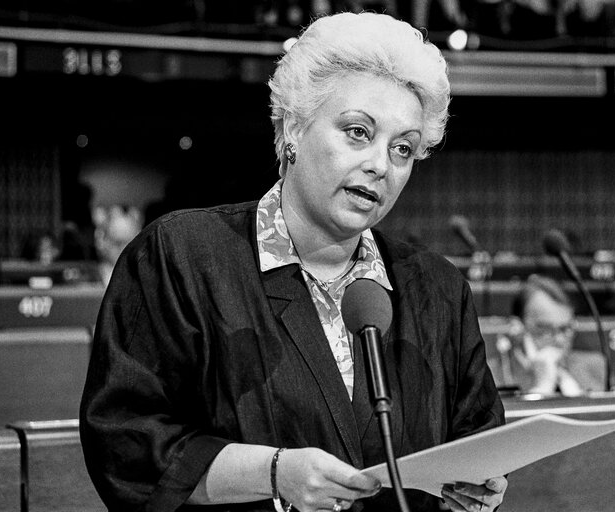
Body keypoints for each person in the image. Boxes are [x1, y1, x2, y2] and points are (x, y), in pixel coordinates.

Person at [80, 11, 507, 512]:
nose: (379, 164)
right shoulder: (180, 258)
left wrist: (479, 488)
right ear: (293, 128)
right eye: (356, 132)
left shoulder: (437, 288)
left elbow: (477, 438)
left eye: (403, 149)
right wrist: (275, 473)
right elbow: (127, 444)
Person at [488, 274, 607, 396]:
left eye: (565, 328)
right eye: (545, 329)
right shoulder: (487, 376)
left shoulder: (596, 367)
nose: (559, 339)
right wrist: (542, 387)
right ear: (517, 328)